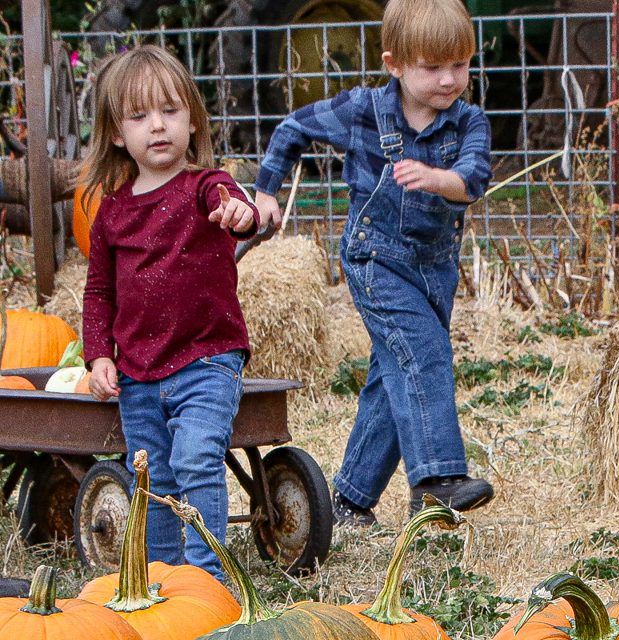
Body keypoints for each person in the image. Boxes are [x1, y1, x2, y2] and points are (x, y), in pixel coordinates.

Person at [253, 0, 494, 526]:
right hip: (374, 258)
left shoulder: (469, 122)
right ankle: (436, 481)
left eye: (459, 65)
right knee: (424, 352)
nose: (449, 79)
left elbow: (472, 178)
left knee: (395, 373)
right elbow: (292, 128)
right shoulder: (364, 110)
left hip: (434, 269)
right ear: (395, 64)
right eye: (432, 68)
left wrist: (436, 178)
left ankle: (351, 499)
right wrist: (266, 191)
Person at [82, 44, 260, 581]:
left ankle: (207, 579)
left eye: (170, 111)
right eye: (139, 116)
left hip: (206, 361)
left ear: (191, 118)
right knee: (153, 479)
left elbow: (242, 211)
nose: (157, 127)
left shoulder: (206, 186)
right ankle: (162, 576)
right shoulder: (111, 213)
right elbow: (98, 294)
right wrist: (98, 356)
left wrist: (239, 213)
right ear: (117, 133)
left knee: (195, 460)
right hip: (137, 374)